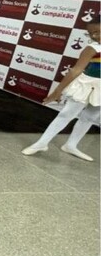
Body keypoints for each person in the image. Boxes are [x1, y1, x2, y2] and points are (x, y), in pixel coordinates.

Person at [22, 16, 100, 161]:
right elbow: (75, 71)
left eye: (98, 32)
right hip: (86, 85)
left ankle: (71, 145)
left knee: (90, 117)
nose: (95, 36)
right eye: (91, 34)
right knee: (66, 114)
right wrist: (57, 91)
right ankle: (42, 143)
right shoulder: (92, 48)